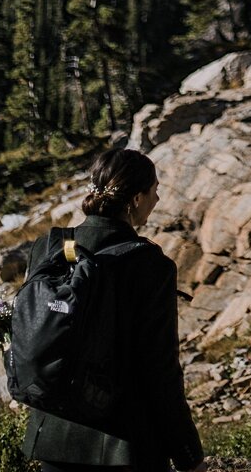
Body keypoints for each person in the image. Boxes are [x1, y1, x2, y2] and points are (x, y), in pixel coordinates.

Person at [21, 148, 205, 472]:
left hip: (52, 440)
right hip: (127, 446)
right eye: (155, 191)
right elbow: (159, 370)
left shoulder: (49, 247)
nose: (157, 200)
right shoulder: (152, 265)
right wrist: (187, 452)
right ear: (135, 198)